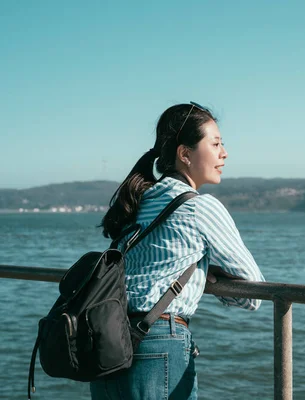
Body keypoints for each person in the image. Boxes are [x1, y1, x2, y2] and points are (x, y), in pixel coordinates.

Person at [91, 102, 265, 400]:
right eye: (216, 143)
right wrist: (212, 278)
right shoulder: (200, 206)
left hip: (109, 340)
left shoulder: (137, 201)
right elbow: (253, 294)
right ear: (185, 154)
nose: (224, 153)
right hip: (158, 343)